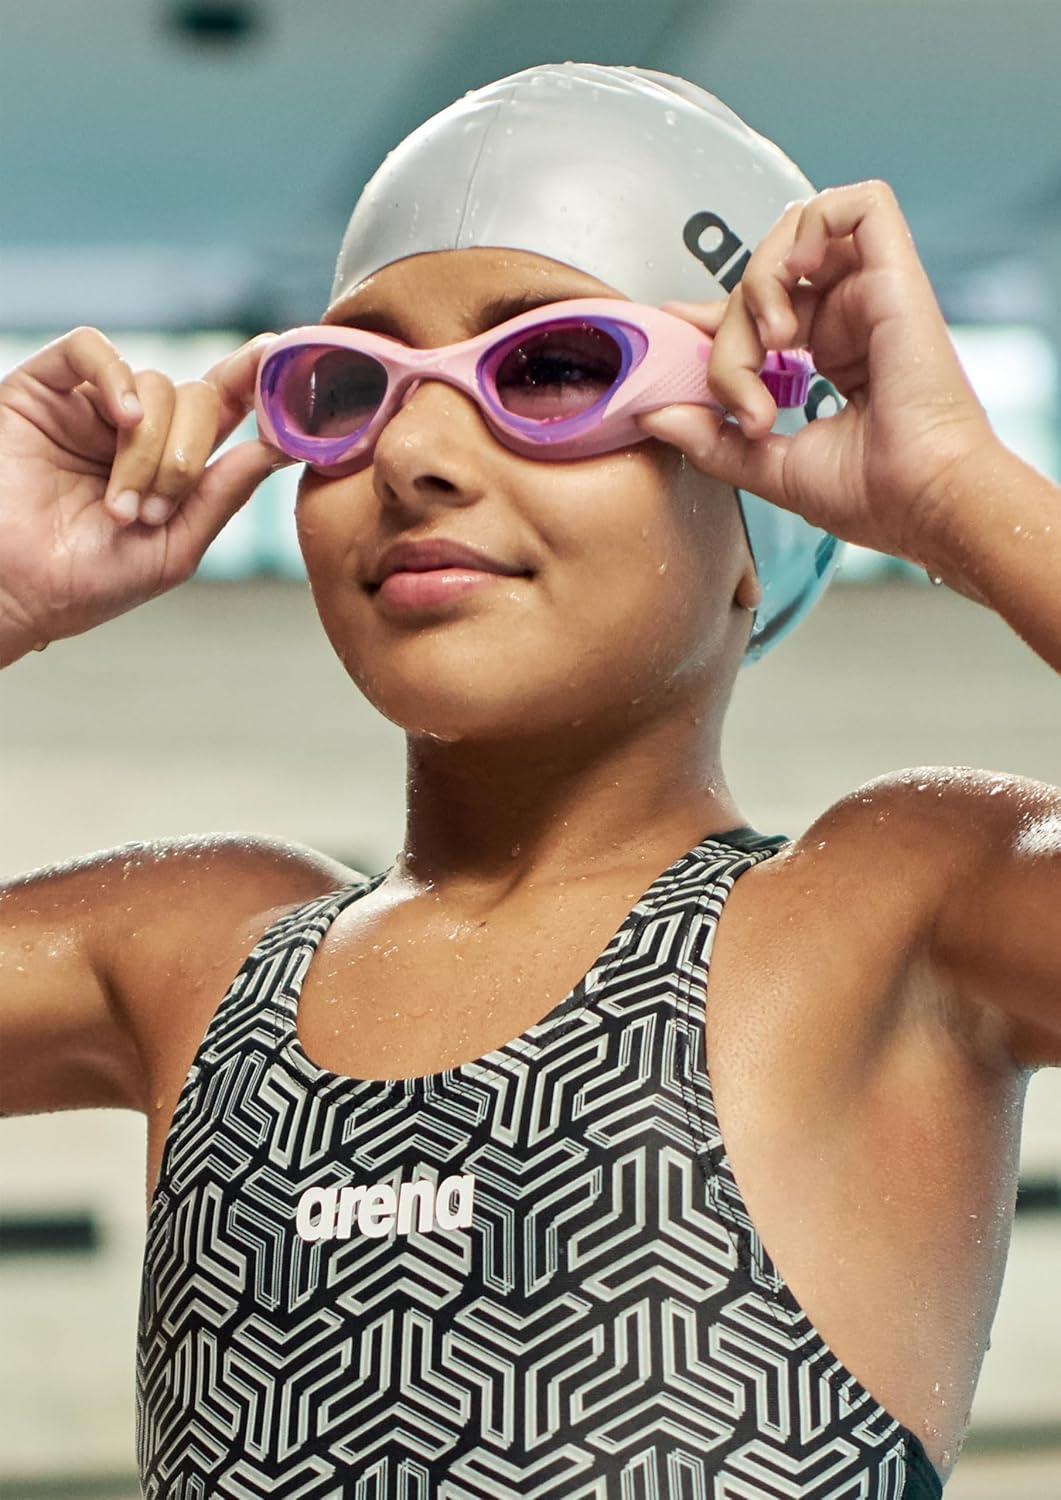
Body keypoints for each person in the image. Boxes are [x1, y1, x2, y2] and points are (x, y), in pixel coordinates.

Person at [1, 60, 1057, 1499]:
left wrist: (961, 495)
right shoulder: (193, 952)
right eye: (349, 387)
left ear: (762, 512)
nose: (415, 453)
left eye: (552, 369)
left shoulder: (888, 917)